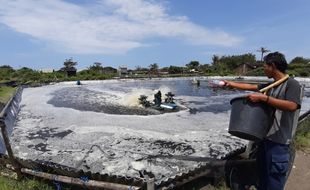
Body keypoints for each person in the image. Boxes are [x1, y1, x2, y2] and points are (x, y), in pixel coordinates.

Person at [224, 52, 302, 190]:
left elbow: (292, 105)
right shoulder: (273, 85)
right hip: (264, 138)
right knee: (262, 177)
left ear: (272, 66)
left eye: (265, 66)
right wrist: (230, 84)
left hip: (279, 141)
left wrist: (264, 99)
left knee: (274, 180)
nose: (263, 69)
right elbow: (252, 87)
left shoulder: (292, 84)